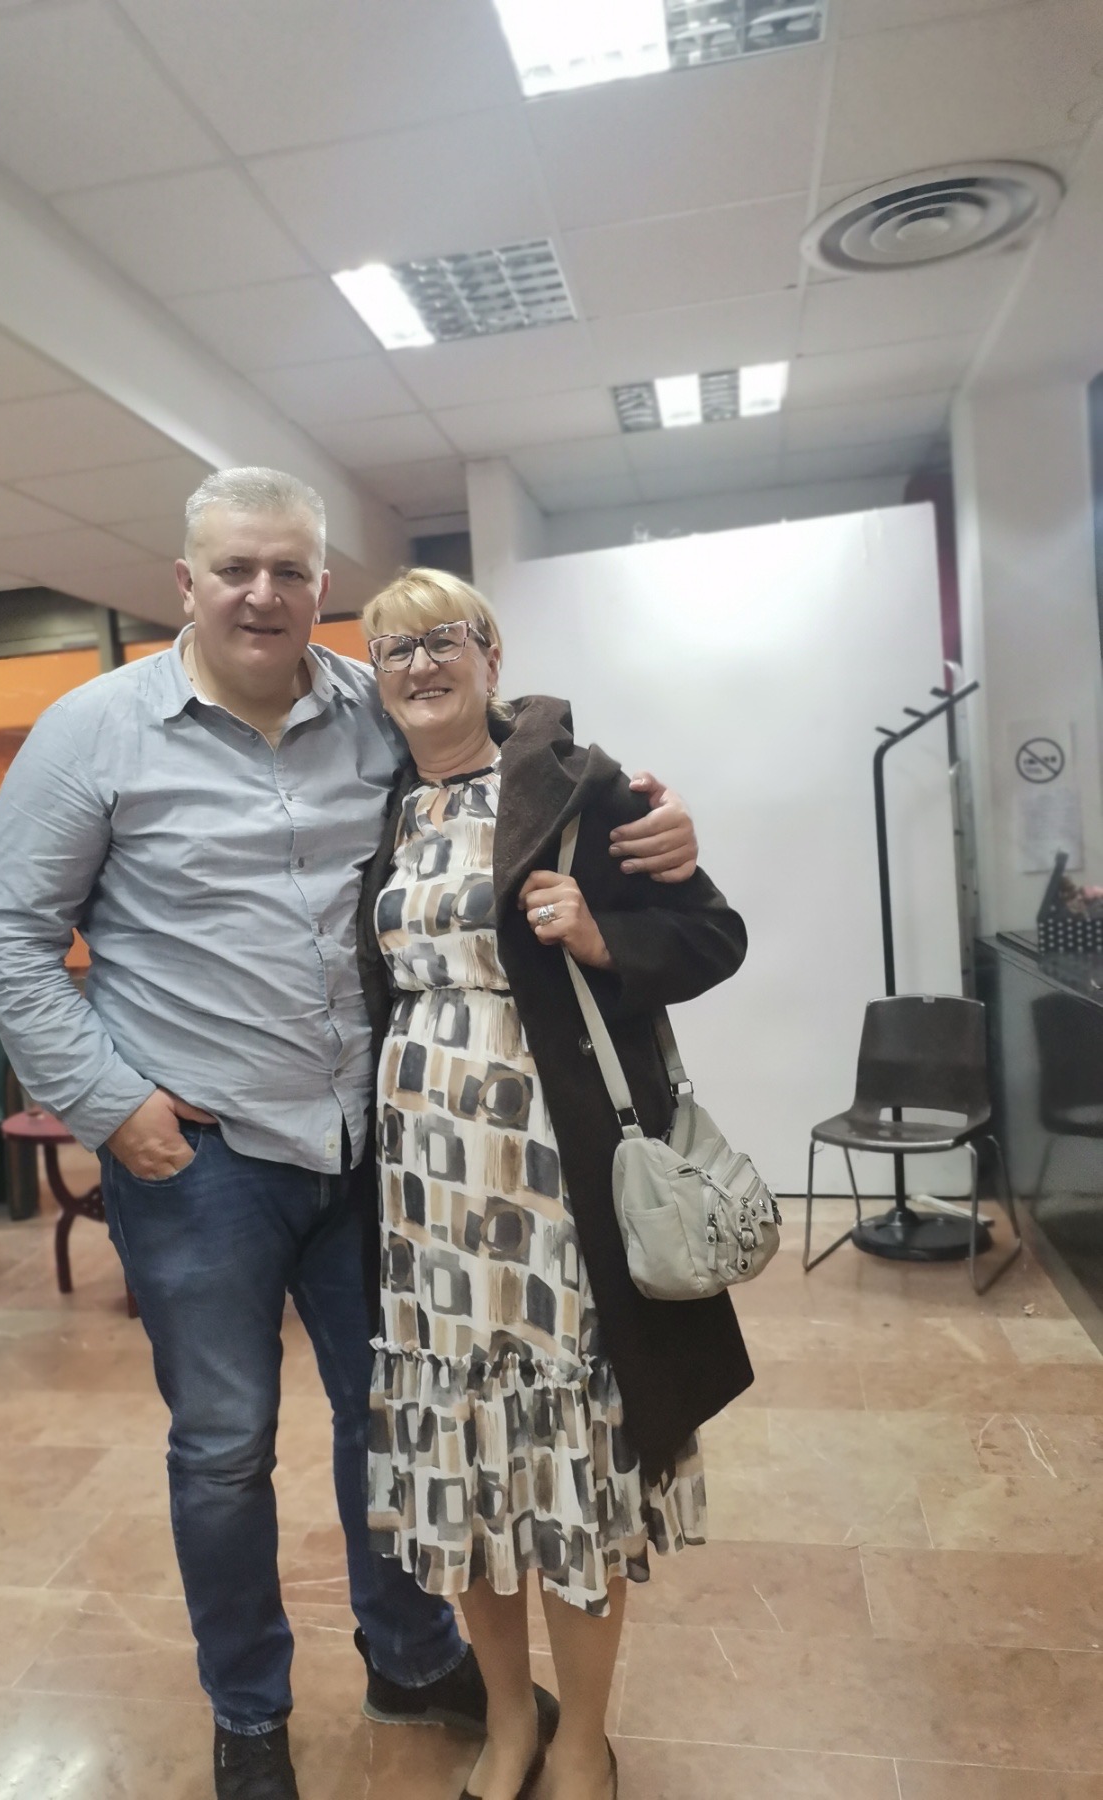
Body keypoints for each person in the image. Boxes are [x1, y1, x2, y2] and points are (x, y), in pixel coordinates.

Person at [0, 467, 701, 1800]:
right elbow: (9, 940)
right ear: (184, 583)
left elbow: (516, 749)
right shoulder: (92, 734)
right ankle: (248, 1710)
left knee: (398, 1426)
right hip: (201, 1163)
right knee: (222, 1447)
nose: (263, 594)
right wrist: (111, 1105)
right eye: (234, 569)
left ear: (321, 588)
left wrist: (646, 818)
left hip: (382, 1154)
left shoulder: (373, 704)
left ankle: (411, 1658)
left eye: (290, 571)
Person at [354, 571, 754, 1800]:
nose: (421, 664)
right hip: (426, 1205)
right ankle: (509, 1722)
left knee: (565, 1461)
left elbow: (713, 935)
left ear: (491, 653)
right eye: (395, 649)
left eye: (444, 640)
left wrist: (599, 934)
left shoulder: (581, 787)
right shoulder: (386, 807)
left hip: (548, 1191)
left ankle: (581, 1736)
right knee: (466, 1470)